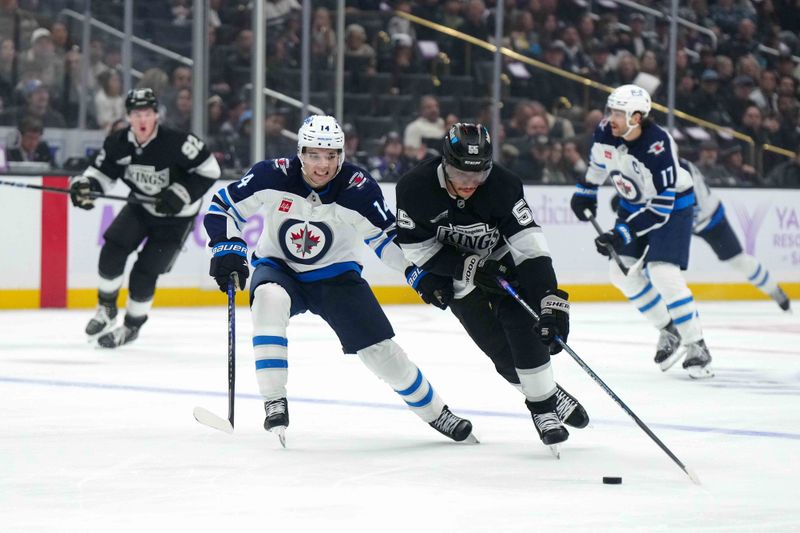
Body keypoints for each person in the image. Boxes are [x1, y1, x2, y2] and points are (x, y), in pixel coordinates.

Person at [203, 115, 474, 446]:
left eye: (331, 155)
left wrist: (417, 273)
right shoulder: (271, 175)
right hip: (279, 267)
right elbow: (224, 206)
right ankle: (274, 399)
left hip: (336, 276)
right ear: (300, 152)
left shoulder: (358, 189)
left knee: (380, 351)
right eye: (315, 155)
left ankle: (437, 413)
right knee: (269, 300)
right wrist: (227, 247)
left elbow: (386, 239)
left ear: (342, 155)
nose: (323, 165)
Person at [395, 123, 589, 454]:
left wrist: (548, 300)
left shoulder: (504, 184)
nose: (469, 184)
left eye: (478, 174)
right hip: (454, 273)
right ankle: (549, 393)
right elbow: (416, 250)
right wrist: (467, 267)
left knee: (524, 328)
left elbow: (529, 247)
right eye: (460, 172)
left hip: (502, 262)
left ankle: (542, 409)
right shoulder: (414, 187)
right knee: (497, 348)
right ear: (444, 162)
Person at [570, 84, 714, 379]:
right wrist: (586, 191)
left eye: (619, 113)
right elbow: (599, 163)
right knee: (620, 273)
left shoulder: (657, 145)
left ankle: (696, 344)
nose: (612, 117)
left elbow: (661, 208)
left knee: (663, 272)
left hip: (673, 208)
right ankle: (668, 330)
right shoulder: (605, 131)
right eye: (611, 110)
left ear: (637, 117)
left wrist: (621, 232)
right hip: (634, 204)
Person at [68, 88, 221, 348]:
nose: (142, 120)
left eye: (147, 113)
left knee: (145, 272)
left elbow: (210, 170)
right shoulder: (118, 143)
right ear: (128, 116)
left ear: (156, 116)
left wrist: (181, 193)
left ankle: (131, 327)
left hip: (177, 218)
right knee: (113, 248)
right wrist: (86, 186)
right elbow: (102, 173)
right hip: (140, 207)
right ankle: (106, 309)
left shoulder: (178, 142)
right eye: (137, 113)